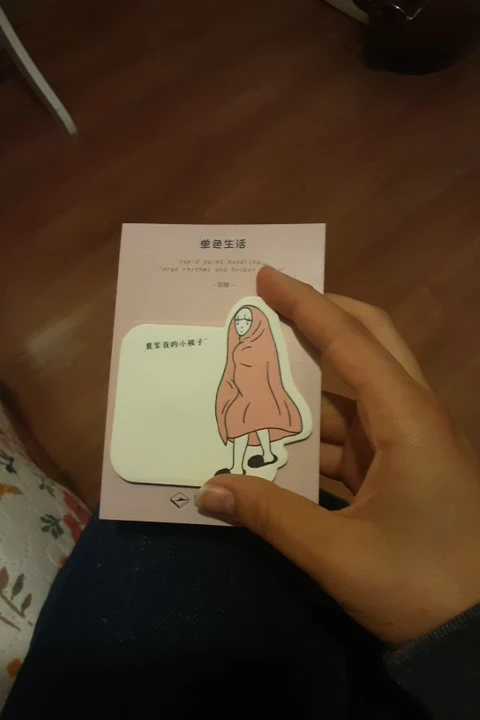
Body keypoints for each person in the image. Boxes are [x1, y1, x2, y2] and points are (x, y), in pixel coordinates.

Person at [3, 268, 479, 720]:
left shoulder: (263, 352)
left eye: (252, 322)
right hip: (428, 671)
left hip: (429, 675)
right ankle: (249, 464)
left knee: (151, 533)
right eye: (243, 323)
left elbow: (266, 380)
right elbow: (232, 381)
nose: (248, 326)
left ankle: (254, 463)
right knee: (163, 530)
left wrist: (456, 629)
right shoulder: (234, 353)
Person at [215, 304, 303, 475]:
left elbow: (266, 373)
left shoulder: (259, 345)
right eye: (238, 320)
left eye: (246, 320)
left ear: (256, 323)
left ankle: (237, 468)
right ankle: (268, 455)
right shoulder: (241, 344)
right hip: (246, 394)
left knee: (239, 424)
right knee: (258, 422)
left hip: (251, 395)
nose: (240, 324)